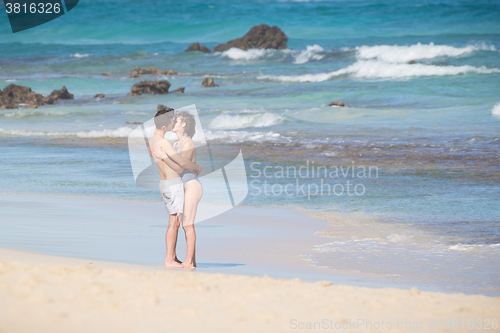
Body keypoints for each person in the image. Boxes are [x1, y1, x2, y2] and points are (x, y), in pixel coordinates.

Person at [149, 107, 201, 268]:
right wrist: (197, 167)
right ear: (164, 126)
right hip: (173, 185)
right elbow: (181, 167)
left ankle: (178, 258)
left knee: (178, 222)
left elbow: (180, 164)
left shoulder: (153, 140)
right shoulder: (165, 142)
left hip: (167, 184)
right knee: (177, 222)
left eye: (176, 121)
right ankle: (172, 259)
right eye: (172, 121)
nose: (173, 124)